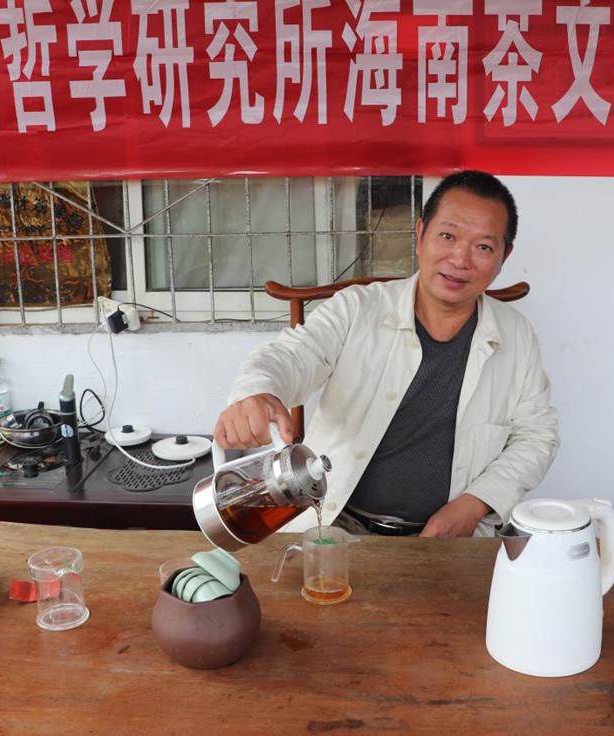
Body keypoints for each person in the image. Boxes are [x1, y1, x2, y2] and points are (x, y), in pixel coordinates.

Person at [214, 171, 559, 537]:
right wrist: (259, 393)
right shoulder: (357, 309)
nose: (460, 259)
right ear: (420, 234)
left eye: (483, 247)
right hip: (337, 522)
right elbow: (293, 355)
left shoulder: (515, 335)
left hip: (452, 537)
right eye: (447, 236)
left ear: (505, 256)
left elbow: (538, 435)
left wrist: (474, 504)